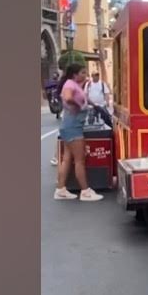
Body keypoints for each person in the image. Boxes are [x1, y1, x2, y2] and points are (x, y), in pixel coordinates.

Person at [54, 63, 103, 202]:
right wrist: (78, 106)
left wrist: (94, 105)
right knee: (80, 160)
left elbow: (85, 100)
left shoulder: (73, 84)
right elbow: (69, 98)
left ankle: (61, 189)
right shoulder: (70, 84)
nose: (85, 75)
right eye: (82, 72)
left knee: (67, 159)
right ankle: (85, 191)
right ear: (75, 74)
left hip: (69, 126)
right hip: (73, 126)